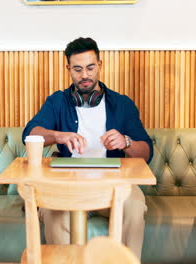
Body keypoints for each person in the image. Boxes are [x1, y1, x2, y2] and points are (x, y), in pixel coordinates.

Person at [22, 37, 153, 260]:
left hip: (113, 184)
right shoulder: (57, 102)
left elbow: (146, 152)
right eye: (78, 69)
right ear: (68, 69)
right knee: (53, 215)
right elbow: (29, 134)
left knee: (134, 208)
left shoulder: (122, 104)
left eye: (90, 68)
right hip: (66, 185)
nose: (85, 75)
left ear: (100, 65)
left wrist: (126, 142)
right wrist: (58, 135)